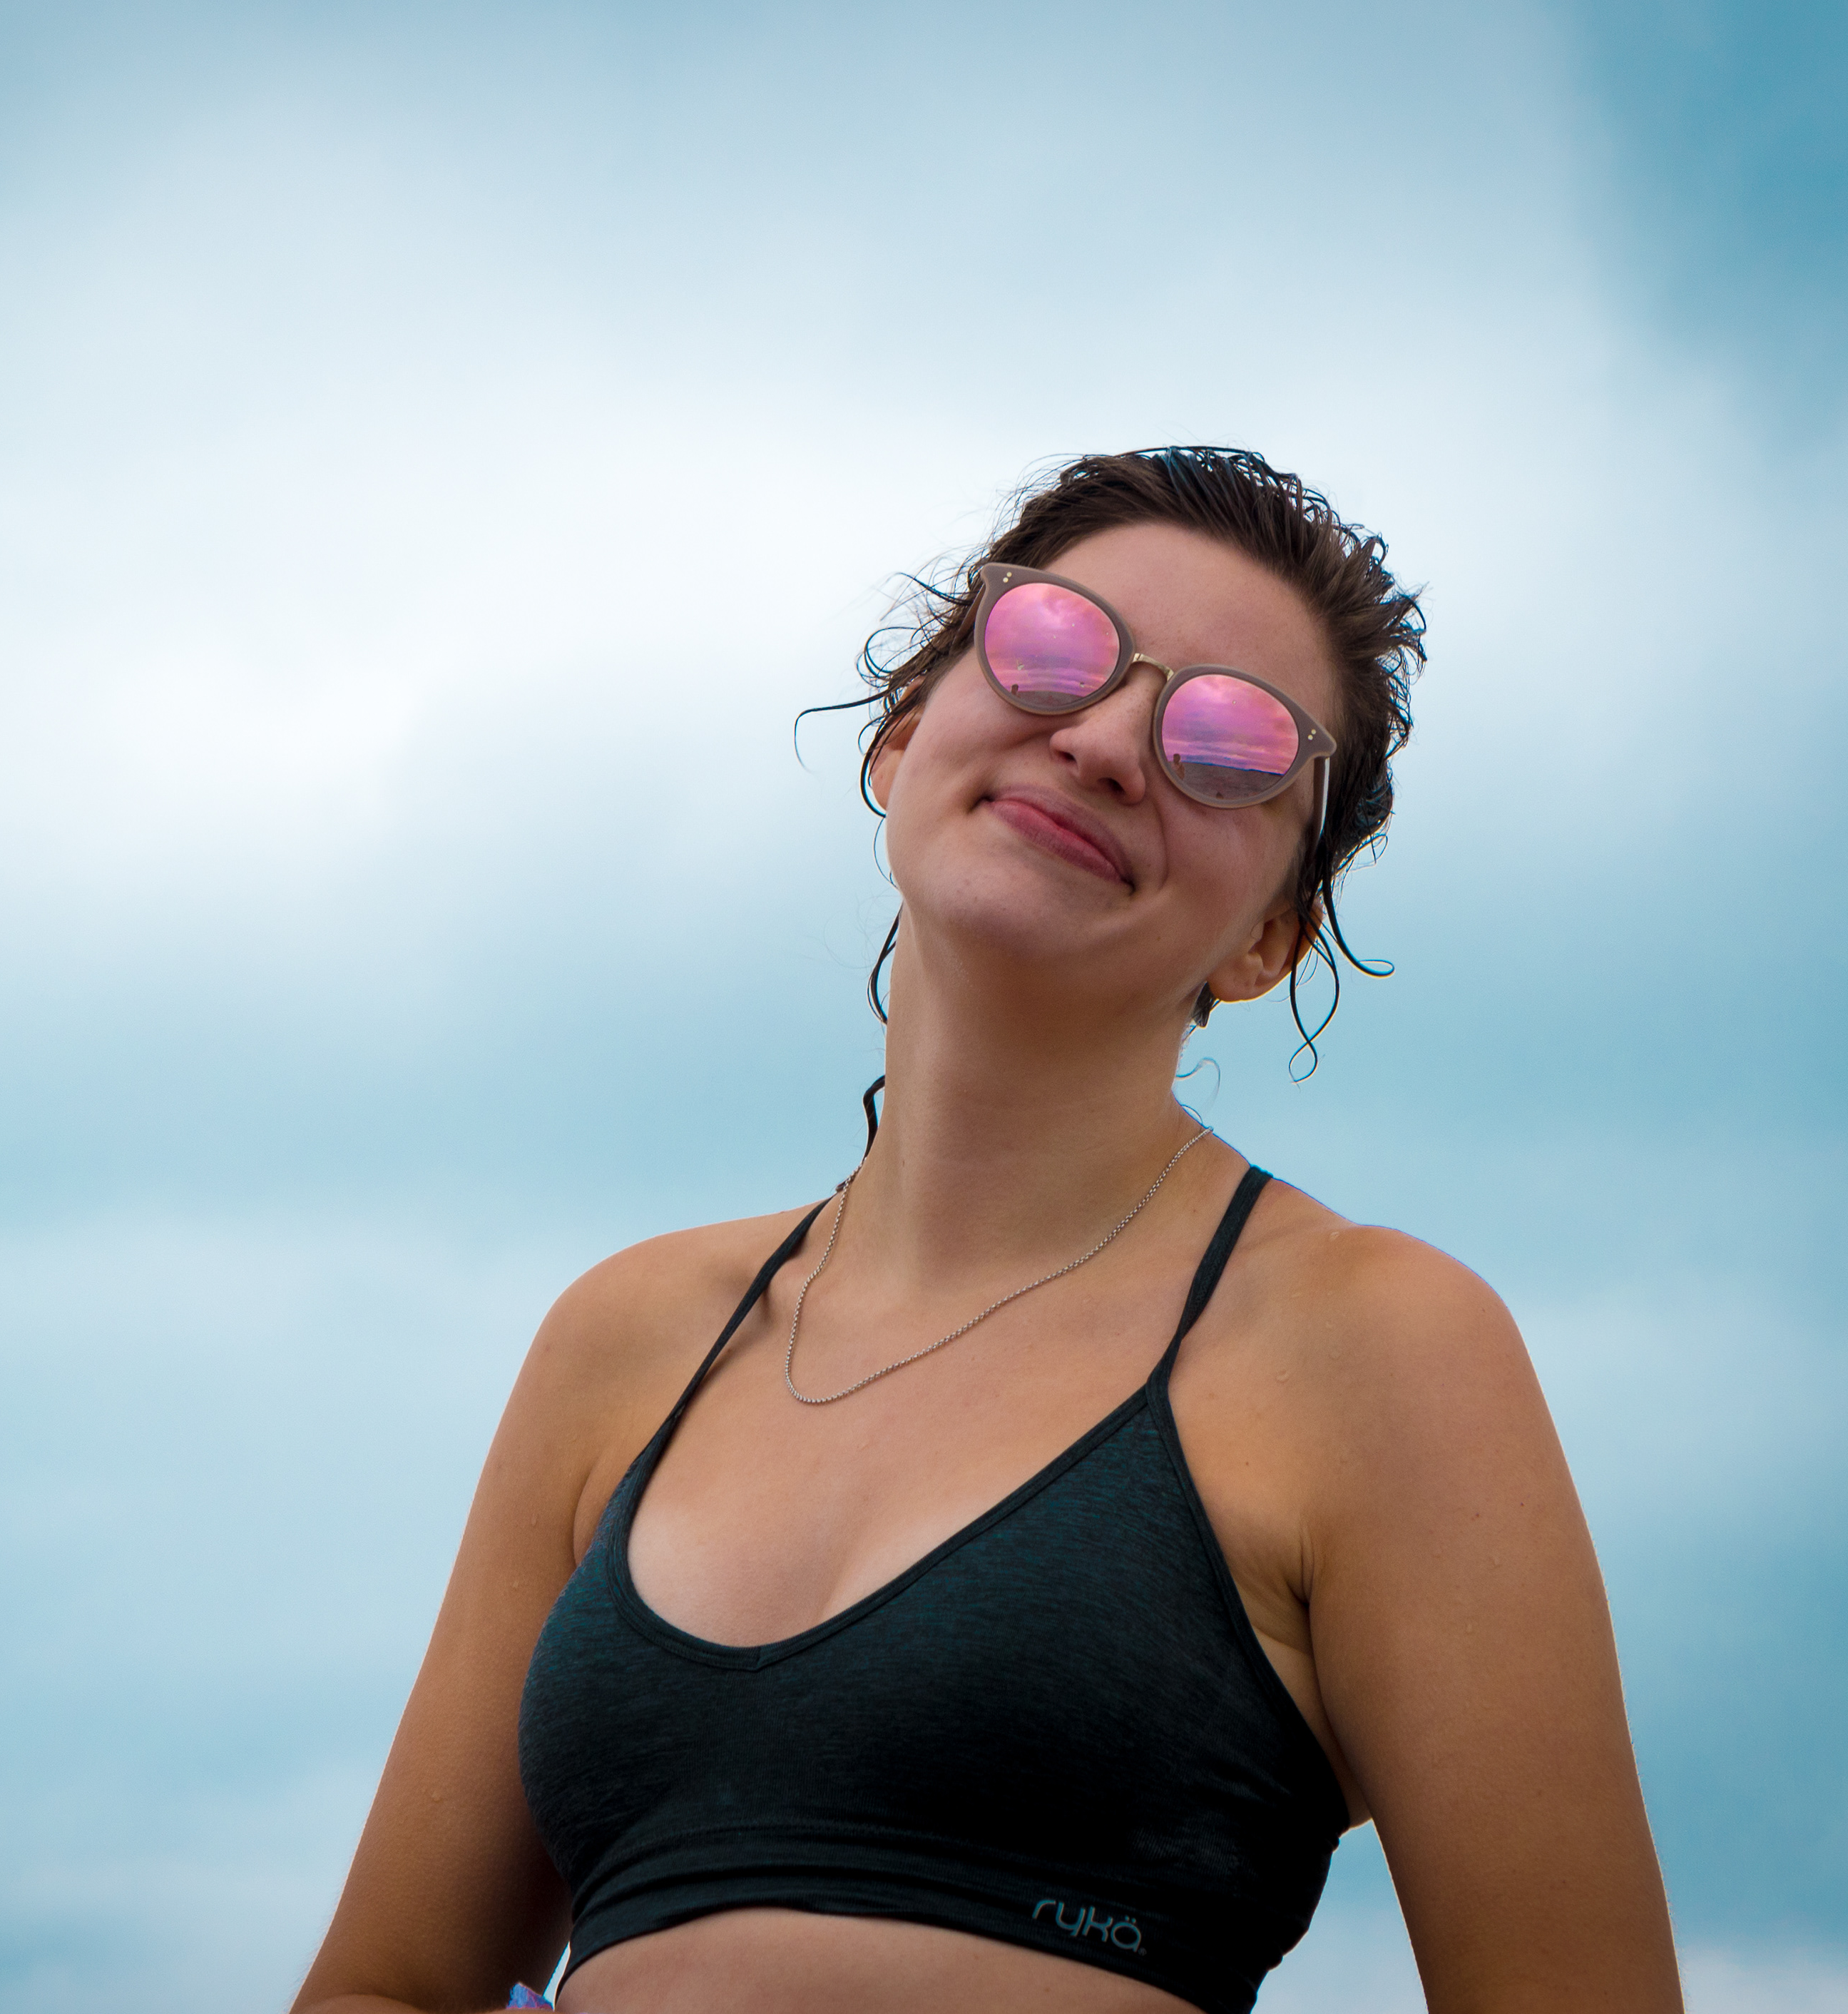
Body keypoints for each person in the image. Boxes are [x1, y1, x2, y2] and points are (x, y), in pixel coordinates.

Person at [292, 448, 1682, 2014]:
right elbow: (382, 1987)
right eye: (1051, 648)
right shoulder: (628, 1335)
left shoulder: (1375, 1345)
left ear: (1271, 939)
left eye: (1229, 741)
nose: (1103, 743)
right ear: (903, 732)